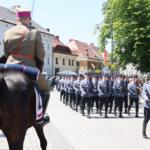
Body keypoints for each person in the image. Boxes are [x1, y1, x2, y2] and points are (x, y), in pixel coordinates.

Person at [3, 9, 50, 126]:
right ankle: (40, 117)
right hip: (28, 68)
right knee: (46, 89)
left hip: (9, 67)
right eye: (30, 19)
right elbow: (41, 55)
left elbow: (6, 53)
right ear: (27, 19)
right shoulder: (34, 32)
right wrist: (39, 68)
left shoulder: (7, 32)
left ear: (17, 19)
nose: (30, 21)